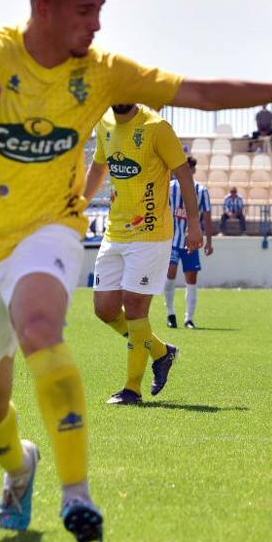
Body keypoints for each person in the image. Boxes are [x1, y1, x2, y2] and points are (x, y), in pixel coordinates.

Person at [0, 0, 272, 542]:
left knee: (42, 329)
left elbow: (200, 91)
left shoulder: (103, 71)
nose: (98, 23)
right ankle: (19, 467)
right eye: (86, 10)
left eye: (101, 9)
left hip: (48, 228)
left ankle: (77, 493)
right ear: (43, 8)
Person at [84, 103, 196, 406]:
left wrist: (195, 226)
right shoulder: (104, 122)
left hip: (150, 233)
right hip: (115, 232)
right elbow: (98, 167)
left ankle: (132, 390)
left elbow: (183, 174)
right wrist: (77, 205)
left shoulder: (157, 127)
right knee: (105, 309)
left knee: (135, 310)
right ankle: (161, 352)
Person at [165, 156, 213, 329]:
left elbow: (207, 216)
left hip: (191, 242)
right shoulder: (170, 188)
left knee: (191, 278)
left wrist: (209, 241)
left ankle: (189, 318)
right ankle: (170, 313)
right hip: (171, 240)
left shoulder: (201, 191)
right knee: (170, 274)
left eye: (189, 168)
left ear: (192, 170)